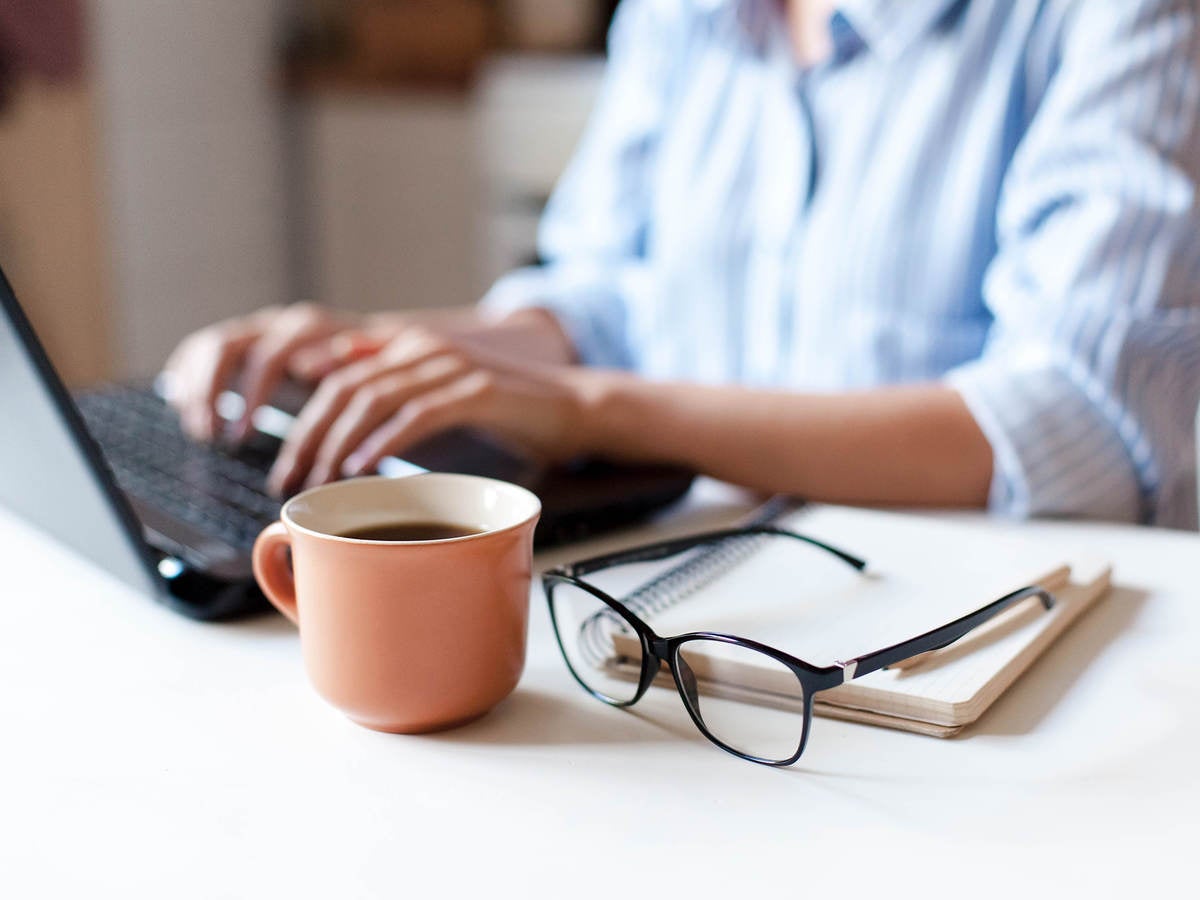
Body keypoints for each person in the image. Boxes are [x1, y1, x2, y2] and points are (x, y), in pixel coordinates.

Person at [165, 0, 1200, 528]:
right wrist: (384, 350)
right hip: (704, 608)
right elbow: (608, 294)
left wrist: (600, 408)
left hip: (975, 653)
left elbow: (1078, 426)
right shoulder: (680, 13)